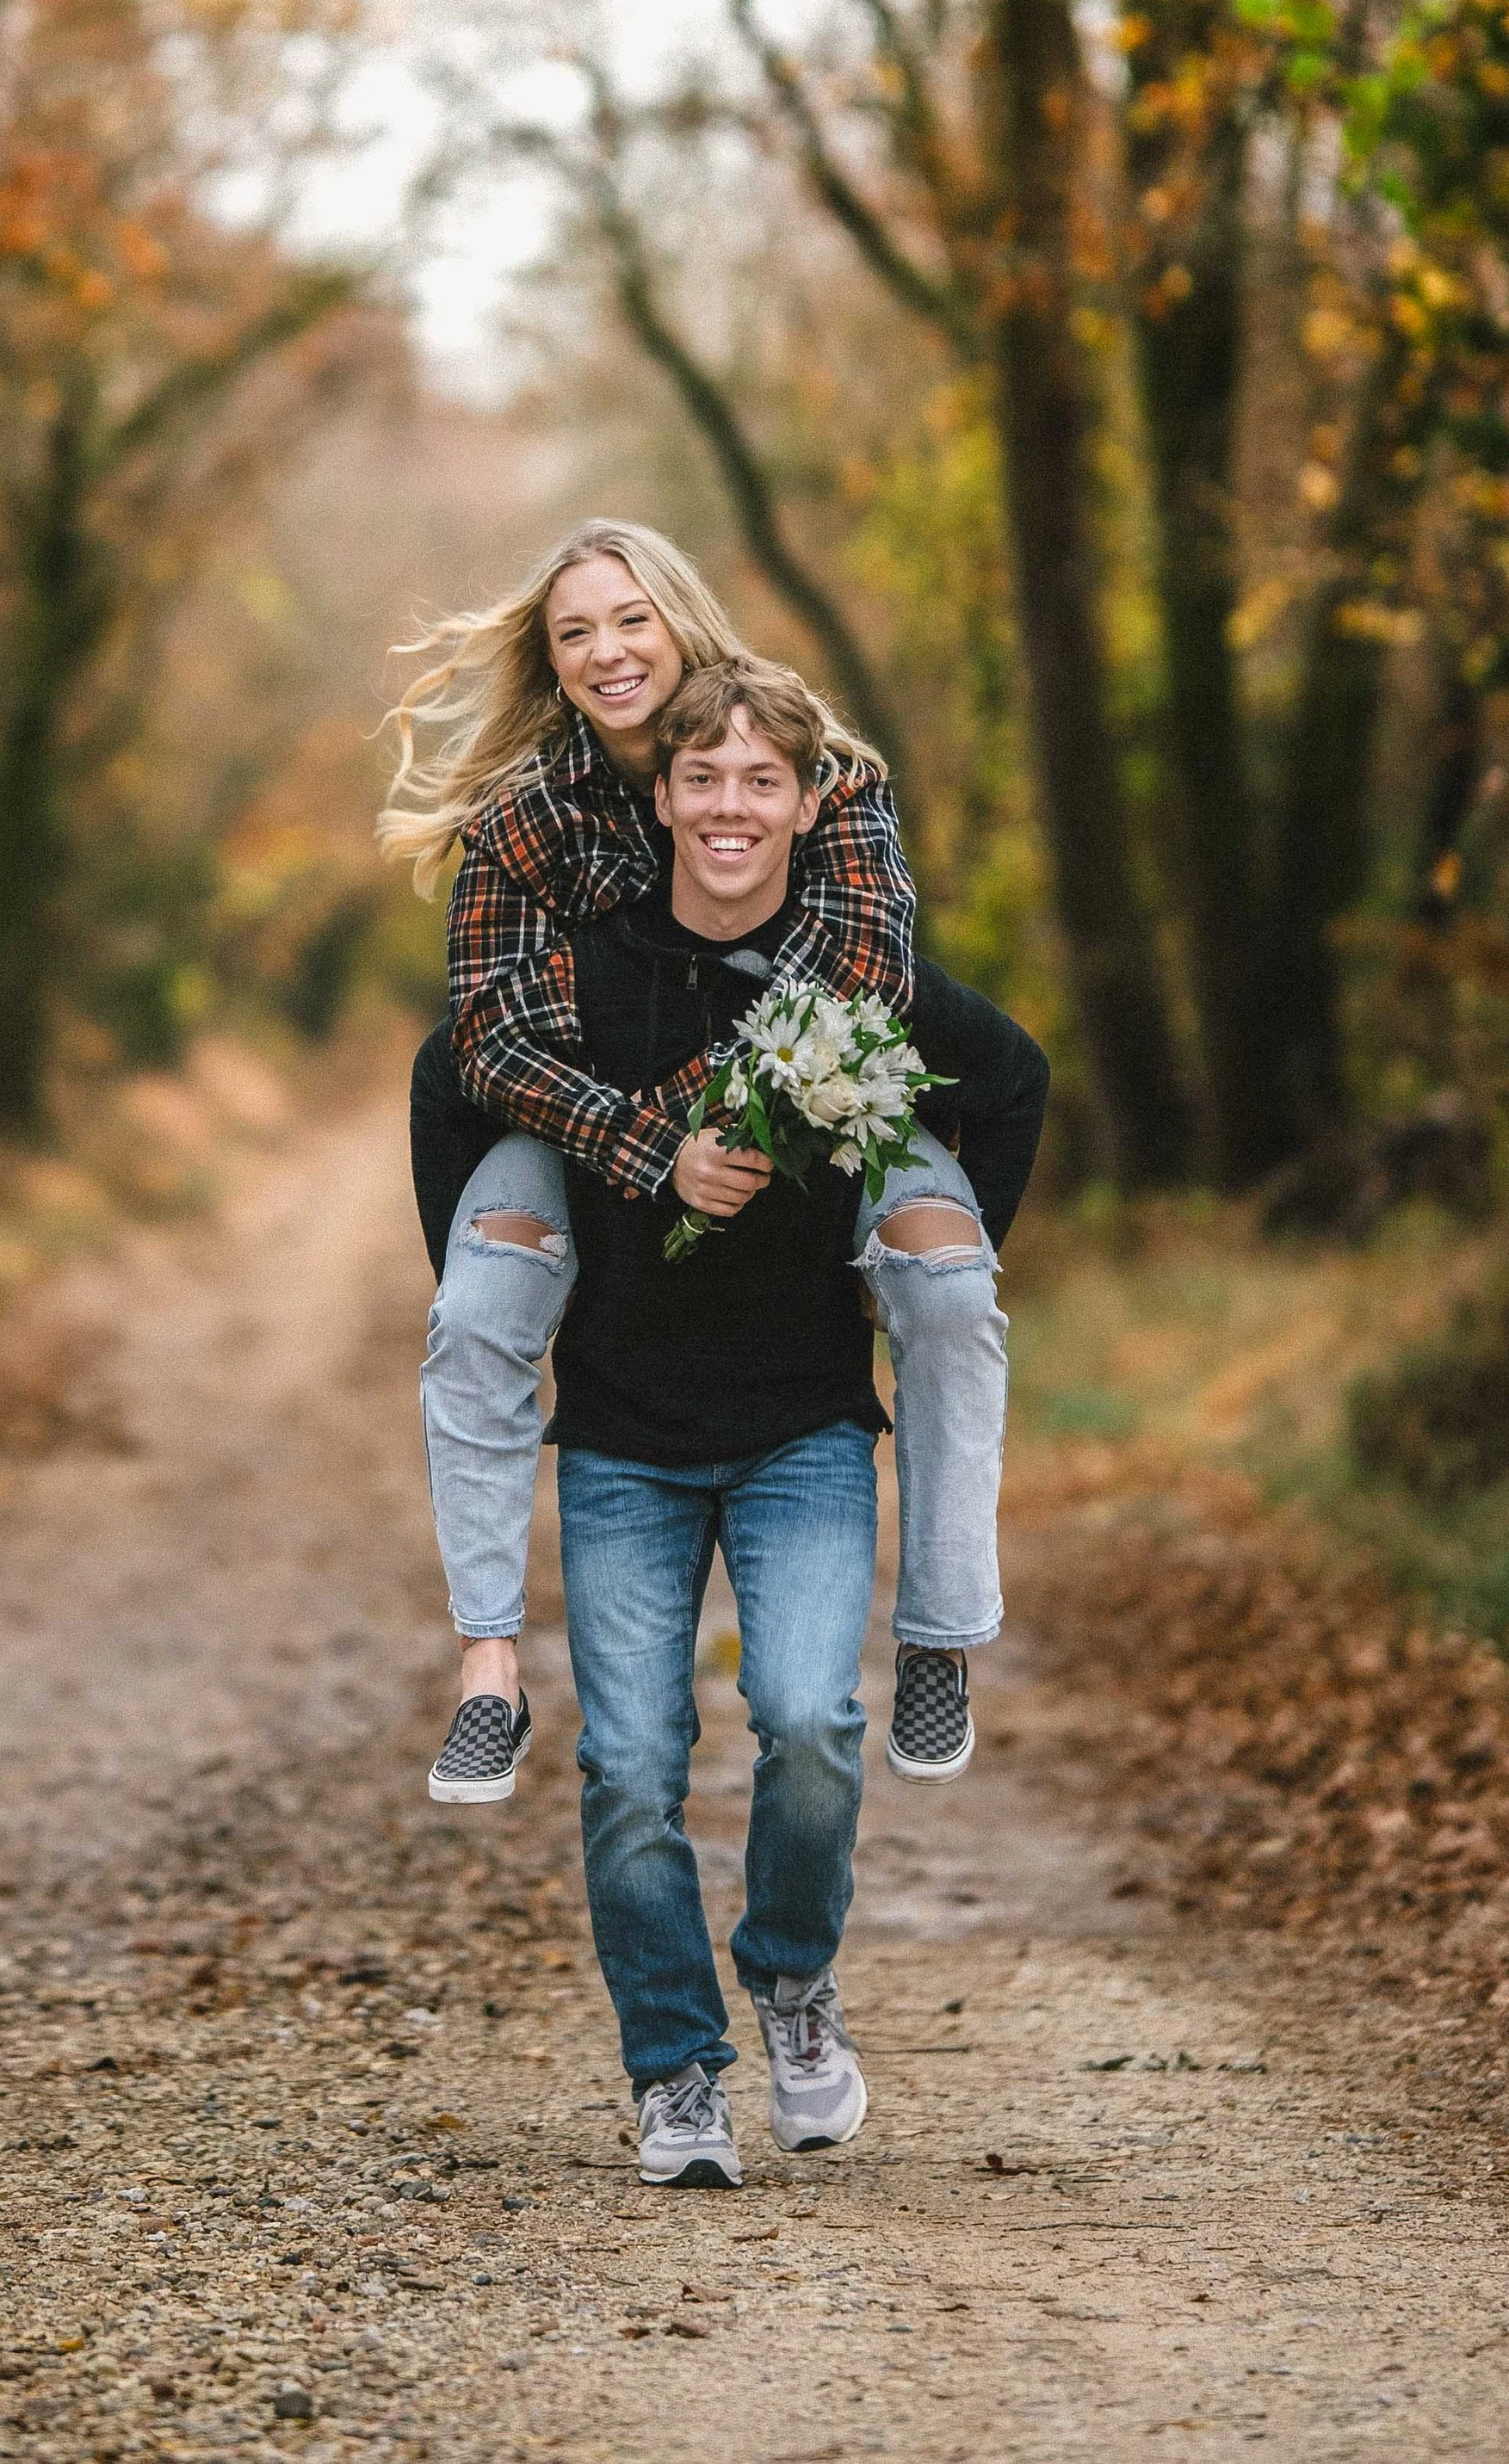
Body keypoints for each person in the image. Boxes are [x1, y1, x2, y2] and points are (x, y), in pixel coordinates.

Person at [376, 520, 1048, 1805]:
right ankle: (487, 1670)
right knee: (476, 1314)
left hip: (830, 1073)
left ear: (679, 616)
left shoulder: (818, 766)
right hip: (569, 1125)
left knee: (953, 1295)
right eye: (575, 632)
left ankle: (942, 1634)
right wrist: (644, 1148)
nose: (607, 650)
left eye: (631, 618)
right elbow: (496, 1047)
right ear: (553, 660)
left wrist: (702, 1132)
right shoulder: (525, 817)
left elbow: (849, 981)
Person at [547, 655, 953, 2181]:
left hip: (802, 1425)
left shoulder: (857, 972)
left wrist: (948, 1272)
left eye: (758, 782)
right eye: (701, 779)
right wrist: (541, 1244)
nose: (728, 807)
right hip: (621, 1430)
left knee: (808, 1721)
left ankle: (788, 1977)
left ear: (805, 801)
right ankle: (673, 2071)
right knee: (633, 1766)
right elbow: (457, 1087)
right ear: (663, 799)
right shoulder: (589, 968)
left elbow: (1007, 1076)